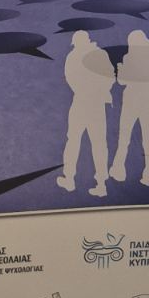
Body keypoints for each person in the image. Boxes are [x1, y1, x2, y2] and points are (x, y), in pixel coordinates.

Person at [56, 29, 115, 197]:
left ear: (76, 43)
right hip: (97, 104)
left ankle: (69, 179)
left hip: (80, 102)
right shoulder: (101, 54)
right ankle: (101, 184)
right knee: (99, 143)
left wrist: (83, 90)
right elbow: (110, 77)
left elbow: (70, 78)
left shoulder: (73, 56)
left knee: (73, 140)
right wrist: (100, 91)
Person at [112, 29, 149, 185]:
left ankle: (119, 170)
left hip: (131, 98)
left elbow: (122, 81)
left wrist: (120, 68)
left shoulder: (129, 57)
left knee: (124, 136)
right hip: (147, 97)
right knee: (148, 136)